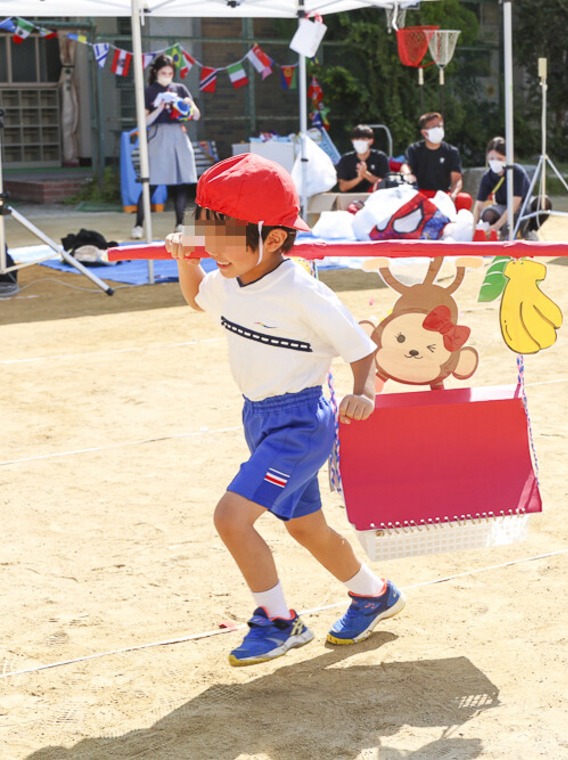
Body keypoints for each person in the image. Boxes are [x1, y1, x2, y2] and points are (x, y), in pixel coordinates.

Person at [164, 153, 404, 666]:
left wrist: (365, 392)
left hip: (299, 425)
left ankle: (278, 620)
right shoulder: (229, 278)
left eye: (223, 237)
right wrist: (188, 262)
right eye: (206, 231)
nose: (211, 248)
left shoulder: (301, 292)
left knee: (232, 518)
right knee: (305, 527)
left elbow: (360, 348)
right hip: (258, 418)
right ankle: (374, 592)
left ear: (273, 239)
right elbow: (197, 300)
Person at [131, 54, 201, 239]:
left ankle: (180, 223)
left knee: (181, 182)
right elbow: (144, 121)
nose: (167, 76)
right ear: (155, 72)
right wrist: (160, 106)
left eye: (170, 73)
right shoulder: (149, 91)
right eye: (163, 72)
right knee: (151, 182)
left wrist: (188, 105)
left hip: (179, 135)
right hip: (158, 136)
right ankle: (138, 224)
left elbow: (196, 116)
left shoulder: (180, 88)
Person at [472, 136, 551, 240]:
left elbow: (515, 204)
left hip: (523, 206)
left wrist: (495, 227)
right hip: (503, 205)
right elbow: (478, 206)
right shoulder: (488, 177)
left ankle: (527, 231)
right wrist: (473, 228)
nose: (495, 162)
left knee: (543, 203)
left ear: (508, 158)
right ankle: (505, 234)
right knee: (487, 214)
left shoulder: (517, 172)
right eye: (491, 159)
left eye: (499, 159)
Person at [400, 111, 472, 211]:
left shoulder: (451, 151)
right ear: (424, 133)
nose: (439, 129)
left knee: (464, 199)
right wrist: (408, 175)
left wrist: (454, 194)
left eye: (440, 126)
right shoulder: (414, 149)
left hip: (442, 194)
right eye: (434, 127)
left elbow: (456, 179)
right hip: (419, 193)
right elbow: (405, 166)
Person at [335, 124, 391, 194]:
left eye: (364, 139)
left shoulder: (380, 157)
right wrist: (359, 178)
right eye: (357, 139)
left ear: (371, 141)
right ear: (352, 141)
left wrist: (366, 174)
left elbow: (386, 184)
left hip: (375, 197)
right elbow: (342, 187)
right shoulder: (346, 159)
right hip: (350, 198)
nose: (360, 142)